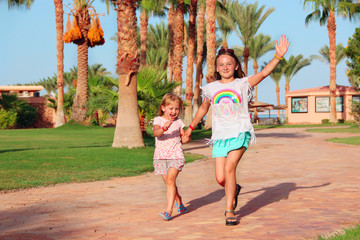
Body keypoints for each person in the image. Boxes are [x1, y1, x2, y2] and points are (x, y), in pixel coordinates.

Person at [185, 35, 290, 226]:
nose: (225, 67)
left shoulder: (242, 84)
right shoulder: (211, 88)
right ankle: (234, 189)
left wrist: (278, 56)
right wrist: (190, 128)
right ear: (216, 68)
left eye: (229, 64)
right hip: (219, 136)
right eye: (221, 64)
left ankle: (229, 210)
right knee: (220, 178)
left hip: (239, 132)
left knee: (229, 168)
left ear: (235, 66)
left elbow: (264, 73)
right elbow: (203, 108)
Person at [153, 93, 190, 221]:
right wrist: (164, 128)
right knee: (169, 182)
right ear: (163, 108)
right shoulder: (158, 120)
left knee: (170, 181)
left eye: (177, 109)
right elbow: (156, 133)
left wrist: (186, 137)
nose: (174, 112)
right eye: (171, 108)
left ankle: (168, 211)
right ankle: (178, 201)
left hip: (176, 155)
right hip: (160, 157)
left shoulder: (179, 122)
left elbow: (183, 138)